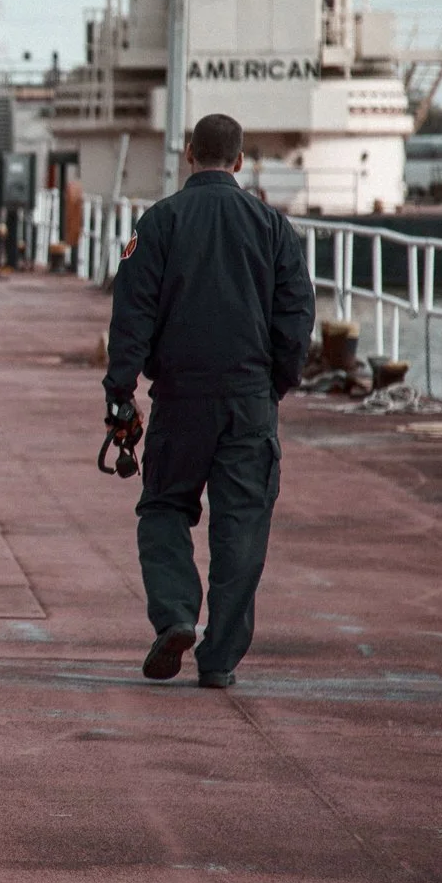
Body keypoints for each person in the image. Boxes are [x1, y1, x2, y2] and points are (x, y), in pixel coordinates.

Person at [103, 112, 314, 689]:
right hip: (249, 399)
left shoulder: (159, 222)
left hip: (180, 399)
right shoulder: (272, 227)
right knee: (242, 526)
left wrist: (120, 391)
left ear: (189, 154)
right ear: (240, 161)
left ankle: (175, 614)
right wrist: (276, 383)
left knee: (164, 508)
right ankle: (219, 659)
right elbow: (297, 316)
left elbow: (132, 313)